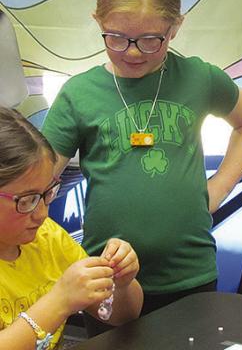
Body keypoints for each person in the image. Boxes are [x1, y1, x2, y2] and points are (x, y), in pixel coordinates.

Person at [42, 0, 242, 325]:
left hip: (188, 272)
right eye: (116, 37)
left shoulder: (198, 77)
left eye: (150, 39)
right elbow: (38, 172)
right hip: (108, 275)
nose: (132, 51)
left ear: (175, 27)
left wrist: (220, 186)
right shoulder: (79, 93)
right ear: (98, 21)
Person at [0, 106, 143, 349]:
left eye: (48, 193)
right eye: (26, 200)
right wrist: (59, 302)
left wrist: (122, 284)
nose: (43, 213)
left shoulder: (48, 237)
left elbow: (123, 316)